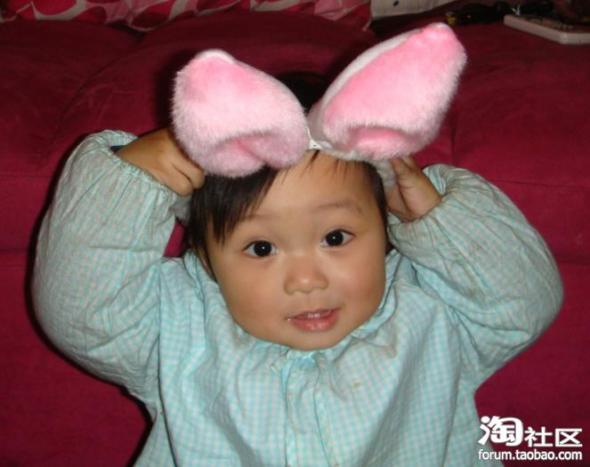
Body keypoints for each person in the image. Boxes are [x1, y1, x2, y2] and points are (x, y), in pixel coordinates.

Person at [33, 25, 562, 466]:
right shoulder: (178, 327)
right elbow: (83, 313)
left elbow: (524, 303)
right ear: (205, 256)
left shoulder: (434, 311)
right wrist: (132, 181)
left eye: (336, 237)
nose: (307, 280)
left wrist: (435, 218)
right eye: (261, 248)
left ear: (386, 225)